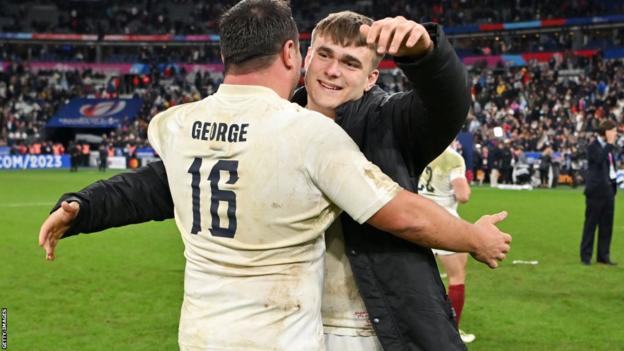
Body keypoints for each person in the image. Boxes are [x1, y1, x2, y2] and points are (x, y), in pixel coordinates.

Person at [40, 9, 512, 351]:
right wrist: (86, 206)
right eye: (325, 55)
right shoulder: (268, 125)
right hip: (290, 330)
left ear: (372, 79)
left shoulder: (391, 123)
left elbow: (447, 107)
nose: (332, 70)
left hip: (373, 327)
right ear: (302, 58)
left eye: (351, 63)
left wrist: (426, 56)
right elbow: (162, 184)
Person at [418, 146, 475, 343]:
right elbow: (463, 195)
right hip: (444, 221)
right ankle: (452, 333)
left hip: (417, 217)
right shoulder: (453, 158)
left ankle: (419, 327)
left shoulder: (420, 148)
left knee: (417, 277)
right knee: (457, 276)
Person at [580, 119, 618, 265]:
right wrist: (609, 144)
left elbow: (611, 169)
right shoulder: (593, 147)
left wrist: (613, 188)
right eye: (613, 131)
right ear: (606, 132)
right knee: (591, 224)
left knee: (606, 226)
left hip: (608, 192)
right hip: (595, 192)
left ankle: (603, 256)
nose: (615, 134)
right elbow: (599, 160)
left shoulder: (609, 148)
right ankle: (586, 256)